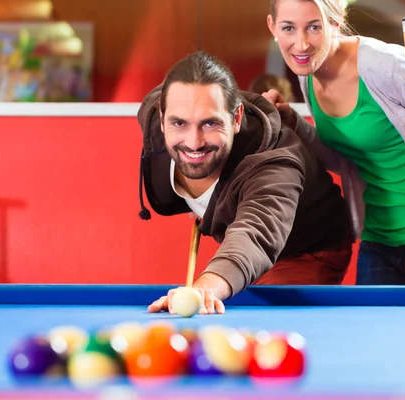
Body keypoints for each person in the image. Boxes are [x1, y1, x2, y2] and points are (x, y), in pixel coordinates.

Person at [262, 0, 405, 285]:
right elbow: (342, 158)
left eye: (314, 27)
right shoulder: (308, 75)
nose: (301, 44)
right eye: (289, 28)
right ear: (273, 27)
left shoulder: (384, 63)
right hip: (380, 239)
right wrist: (292, 122)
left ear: (335, 23)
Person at [136, 51, 352, 314]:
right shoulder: (153, 112)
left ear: (236, 118)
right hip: (243, 242)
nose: (193, 141)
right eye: (179, 123)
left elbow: (255, 234)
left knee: (263, 336)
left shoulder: (275, 161)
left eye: (210, 123)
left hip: (304, 250)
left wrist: (204, 289)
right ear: (161, 114)